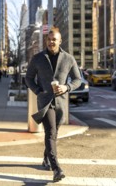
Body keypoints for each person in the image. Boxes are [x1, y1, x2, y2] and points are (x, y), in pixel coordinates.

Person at [25, 28, 81, 183]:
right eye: (49, 39)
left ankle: (46, 158)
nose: (51, 42)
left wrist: (67, 87)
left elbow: (78, 79)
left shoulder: (69, 59)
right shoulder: (37, 58)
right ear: (46, 41)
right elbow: (28, 78)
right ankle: (57, 169)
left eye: (54, 39)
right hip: (45, 102)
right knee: (50, 133)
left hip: (61, 103)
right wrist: (38, 91)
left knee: (54, 134)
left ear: (60, 41)